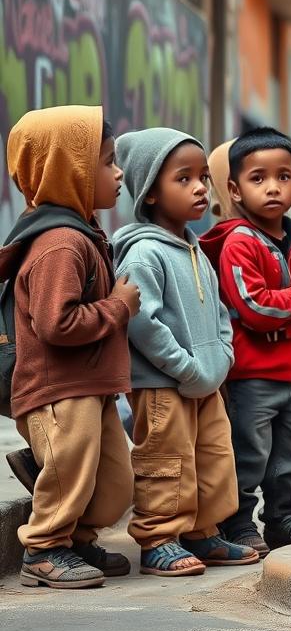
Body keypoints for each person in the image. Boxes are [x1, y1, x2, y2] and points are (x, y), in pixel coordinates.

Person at [1, 106, 139, 589]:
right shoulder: (61, 242)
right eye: (105, 162)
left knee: (116, 483)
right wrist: (119, 307)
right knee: (71, 467)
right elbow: (56, 324)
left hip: (90, 384)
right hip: (58, 388)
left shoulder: (82, 231)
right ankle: (44, 548)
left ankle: (76, 537)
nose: (117, 172)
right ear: (69, 171)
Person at [113, 129, 257, 576]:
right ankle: (158, 537)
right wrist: (186, 367)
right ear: (151, 192)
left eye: (203, 178)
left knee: (213, 458)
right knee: (166, 462)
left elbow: (218, 312)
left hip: (205, 380)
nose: (200, 188)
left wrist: (223, 356)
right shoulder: (143, 253)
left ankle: (202, 531)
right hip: (163, 387)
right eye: (184, 179)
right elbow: (141, 323)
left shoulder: (195, 248)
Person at [200, 128, 291, 556]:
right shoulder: (238, 244)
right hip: (253, 376)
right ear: (234, 189)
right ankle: (238, 522)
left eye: (283, 176)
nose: (273, 187)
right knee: (249, 454)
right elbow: (255, 311)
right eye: (258, 178)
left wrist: (285, 321)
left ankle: (282, 519)